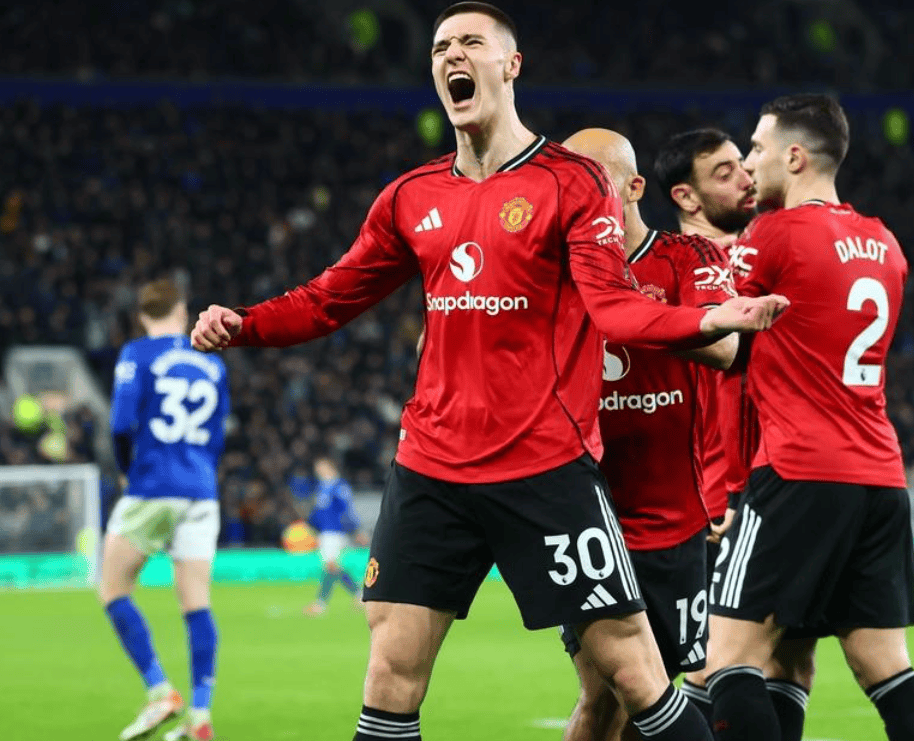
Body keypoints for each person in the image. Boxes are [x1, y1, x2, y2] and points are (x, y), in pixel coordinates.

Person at [192, 4, 787, 740]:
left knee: (634, 675)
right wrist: (244, 323)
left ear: (510, 65)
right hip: (432, 467)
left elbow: (614, 307)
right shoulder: (411, 196)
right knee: (390, 676)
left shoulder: (571, 182)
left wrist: (709, 319)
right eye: (441, 46)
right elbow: (328, 298)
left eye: (471, 42)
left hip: (545, 466)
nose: (452, 55)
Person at [703, 94, 914, 741]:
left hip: (798, 471)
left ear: (795, 157)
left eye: (757, 147)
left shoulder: (773, 234)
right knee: (885, 668)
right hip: (880, 478)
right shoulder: (885, 243)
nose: (747, 162)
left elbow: (721, 337)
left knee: (727, 658)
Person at [558, 128, 738, 741]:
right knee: (604, 694)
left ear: (635, 187)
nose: (578, 197)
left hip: (675, 520)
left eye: (595, 182)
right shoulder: (554, 273)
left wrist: (627, 311)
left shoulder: (689, 258)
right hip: (587, 517)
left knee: (651, 698)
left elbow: (723, 346)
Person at [655, 129, 814, 740]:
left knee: (789, 659)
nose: (745, 178)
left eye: (741, 166)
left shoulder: (765, 255)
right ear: (686, 197)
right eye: (723, 173)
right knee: (703, 665)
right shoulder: (672, 270)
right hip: (714, 500)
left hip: (777, 486)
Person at [103, 278, 230, 741]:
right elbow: (218, 434)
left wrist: (126, 471)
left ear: (142, 316)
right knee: (196, 602)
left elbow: (121, 424)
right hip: (201, 490)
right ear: (181, 312)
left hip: (153, 484)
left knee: (113, 587)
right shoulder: (212, 364)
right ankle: (200, 715)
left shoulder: (137, 354)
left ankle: (160, 691)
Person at [303, 454, 371, 616]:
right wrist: (311, 526)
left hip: (336, 532)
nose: (318, 470)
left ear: (331, 467)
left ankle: (321, 603)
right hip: (325, 532)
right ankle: (359, 595)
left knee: (330, 565)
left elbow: (346, 509)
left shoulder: (340, 486)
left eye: (321, 467)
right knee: (332, 567)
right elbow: (318, 512)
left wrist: (356, 530)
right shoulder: (321, 487)